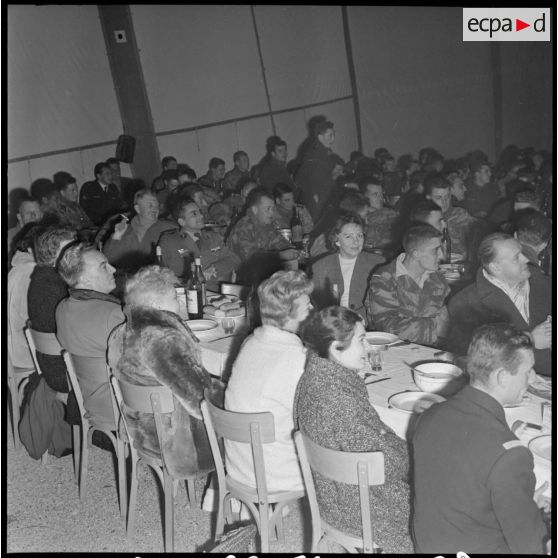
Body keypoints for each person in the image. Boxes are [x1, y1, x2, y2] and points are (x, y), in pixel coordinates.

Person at [412, 323, 550, 554]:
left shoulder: (430, 415)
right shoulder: (511, 456)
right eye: (528, 371)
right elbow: (531, 548)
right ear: (503, 377)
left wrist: (521, 502)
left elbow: (461, 491)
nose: (533, 378)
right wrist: (533, 516)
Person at [294, 306, 413, 553]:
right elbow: (383, 466)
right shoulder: (339, 399)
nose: (368, 348)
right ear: (336, 347)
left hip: (333, 499)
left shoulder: (315, 375)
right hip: (360, 510)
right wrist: (414, 455)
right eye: (361, 340)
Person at [107, 265, 220, 479]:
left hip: (139, 427)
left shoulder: (121, 332)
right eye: (174, 297)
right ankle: (223, 491)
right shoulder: (162, 338)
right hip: (172, 439)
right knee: (246, 418)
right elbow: (198, 400)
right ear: (157, 304)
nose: (180, 301)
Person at [225, 270, 314, 492]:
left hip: (239, 465)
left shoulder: (251, 342)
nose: (312, 308)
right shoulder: (296, 357)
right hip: (275, 472)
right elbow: (315, 414)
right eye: (307, 305)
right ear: (288, 313)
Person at [448, 233, 551, 376]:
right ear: (496, 268)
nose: (526, 259)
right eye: (516, 258)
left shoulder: (545, 283)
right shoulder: (465, 303)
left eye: (522, 252)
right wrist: (529, 340)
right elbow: (472, 360)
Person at [56, 243, 125, 430]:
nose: (113, 269)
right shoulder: (113, 314)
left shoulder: (63, 307)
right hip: (120, 407)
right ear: (85, 280)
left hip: (91, 403)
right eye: (104, 266)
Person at [368, 224, 450, 346]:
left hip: (433, 350)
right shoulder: (384, 279)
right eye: (435, 251)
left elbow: (447, 318)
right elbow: (387, 327)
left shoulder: (437, 278)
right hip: (396, 351)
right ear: (416, 254)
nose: (442, 255)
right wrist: (435, 329)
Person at [27, 227, 77, 398]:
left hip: (51, 366)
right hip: (64, 371)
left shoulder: (42, 279)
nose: (77, 254)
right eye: (71, 250)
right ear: (55, 255)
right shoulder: (55, 288)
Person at [311, 213, 384, 322]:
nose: (356, 242)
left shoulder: (378, 263)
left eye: (359, 235)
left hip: (368, 324)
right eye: (348, 236)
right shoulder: (321, 267)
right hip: (334, 323)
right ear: (337, 240)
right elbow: (317, 305)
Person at [158, 197, 240, 289]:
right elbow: (160, 271)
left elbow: (234, 259)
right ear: (182, 221)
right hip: (184, 292)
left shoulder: (213, 238)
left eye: (200, 212)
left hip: (213, 293)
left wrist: (214, 268)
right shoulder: (170, 241)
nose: (201, 216)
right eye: (194, 214)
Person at [103, 189, 177, 272]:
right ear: (138, 209)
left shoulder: (169, 228)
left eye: (157, 206)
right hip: (127, 279)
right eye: (150, 205)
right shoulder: (125, 229)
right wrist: (116, 236)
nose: (155, 209)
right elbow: (108, 258)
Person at [227, 187, 298, 264]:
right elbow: (251, 257)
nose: (271, 213)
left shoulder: (267, 225)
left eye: (273, 209)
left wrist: (292, 251)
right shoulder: (243, 227)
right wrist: (279, 255)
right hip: (243, 272)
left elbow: (280, 242)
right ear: (255, 210)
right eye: (268, 209)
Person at [424, 173, 478, 260]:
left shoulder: (460, 215)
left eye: (447, 197)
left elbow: (479, 232)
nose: (444, 201)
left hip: (459, 263)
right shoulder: (423, 219)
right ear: (428, 198)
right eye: (439, 198)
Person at [8, 224, 38, 369]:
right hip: (27, 360)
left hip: (16, 354)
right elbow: (34, 323)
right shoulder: (30, 273)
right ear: (32, 249)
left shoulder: (19, 268)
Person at [295, 120, 337, 222]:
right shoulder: (316, 156)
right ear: (320, 137)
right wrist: (314, 194)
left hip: (315, 199)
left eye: (334, 135)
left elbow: (299, 179)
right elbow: (318, 181)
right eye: (330, 135)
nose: (333, 138)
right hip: (318, 202)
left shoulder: (317, 151)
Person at [360, 178, 399, 251]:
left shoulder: (391, 216)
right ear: (364, 196)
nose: (380, 198)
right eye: (375, 195)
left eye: (381, 194)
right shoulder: (357, 215)